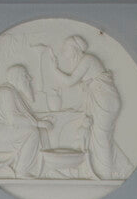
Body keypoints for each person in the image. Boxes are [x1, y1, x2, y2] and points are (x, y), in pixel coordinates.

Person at [42, 36, 130, 179]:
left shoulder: (88, 59)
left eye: (66, 48)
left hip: (105, 101)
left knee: (101, 137)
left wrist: (54, 68)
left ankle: (105, 174)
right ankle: (104, 170)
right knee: (99, 137)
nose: (64, 52)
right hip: (102, 100)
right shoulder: (85, 62)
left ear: (74, 49)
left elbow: (70, 81)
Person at [0, 64, 50, 179]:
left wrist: (39, 121)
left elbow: (21, 117)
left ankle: (47, 165)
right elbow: (13, 119)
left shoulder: (11, 91)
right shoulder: (6, 92)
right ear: (16, 78)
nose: (29, 78)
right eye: (25, 76)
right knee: (32, 132)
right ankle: (21, 170)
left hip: (2, 130)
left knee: (34, 130)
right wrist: (37, 123)